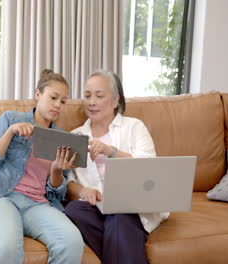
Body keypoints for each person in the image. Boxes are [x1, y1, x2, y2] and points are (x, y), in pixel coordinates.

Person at [0, 69, 85, 264]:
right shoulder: (11, 120)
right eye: (53, 97)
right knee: (7, 248)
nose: (58, 105)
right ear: (38, 94)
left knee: (72, 242)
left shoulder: (61, 138)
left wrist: (57, 169)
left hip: (37, 205)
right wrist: (9, 134)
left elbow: (57, 193)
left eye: (63, 101)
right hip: (2, 198)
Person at [64, 71, 170, 264]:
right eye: (87, 96)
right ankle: (124, 246)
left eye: (99, 95)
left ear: (115, 101)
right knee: (73, 210)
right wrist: (83, 190)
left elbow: (149, 168)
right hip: (96, 207)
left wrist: (110, 151)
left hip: (130, 205)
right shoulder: (76, 136)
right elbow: (68, 181)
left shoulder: (134, 127)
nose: (91, 102)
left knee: (119, 217)